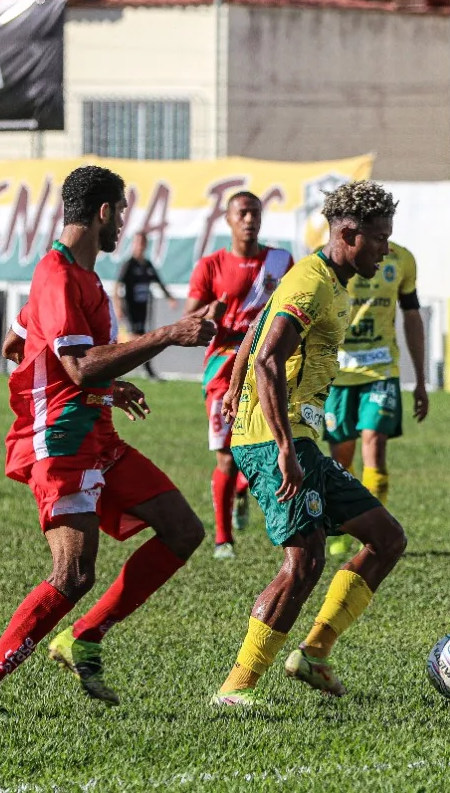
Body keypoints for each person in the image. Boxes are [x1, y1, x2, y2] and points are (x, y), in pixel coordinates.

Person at [0, 165, 217, 718]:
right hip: (64, 442)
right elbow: (78, 365)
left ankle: (83, 637)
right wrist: (168, 334)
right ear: (103, 213)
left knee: (183, 531)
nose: (123, 223)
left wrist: (106, 387)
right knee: (73, 573)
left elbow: (13, 345)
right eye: (121, 211)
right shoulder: (59, 277)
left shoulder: (77, 276)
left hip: (97, 434)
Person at [210, 180, 407, 708]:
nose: (386, 249)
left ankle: (314, 654)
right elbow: (272, 359)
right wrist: (281, 447)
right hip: (275, 441)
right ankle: (236, 689)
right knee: (303, 562)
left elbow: (258, 327)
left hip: (299, 438)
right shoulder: (314, 283)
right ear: (348, 233)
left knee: (386, 538)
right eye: (381, 238)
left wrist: (233, 384)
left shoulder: (330, 281)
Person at [184, 192, 293, 559]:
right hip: (222, 367)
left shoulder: (280, 261)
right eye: (242, 213)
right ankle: (223, 539)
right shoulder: (210, 266)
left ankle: (246, 491)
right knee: (226, 458)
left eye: (255, 213)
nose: (250, 219)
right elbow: (189, 320)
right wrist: (208, 312)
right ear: (228, 220)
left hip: (264, 365)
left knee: (271, 443)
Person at [323, 241, 429, 557]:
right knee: (341, 459)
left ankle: (374, 534)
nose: (383, 231)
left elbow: (412, 315)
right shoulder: (329, 259)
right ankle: (345, 525)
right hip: (338, 374)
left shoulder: (402, 259)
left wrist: (421, 379)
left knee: (374, 442)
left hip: (382, 369)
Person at [115, 232, 176, 380]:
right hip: (130, 308)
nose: (139, 246)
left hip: (144, 308)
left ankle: (145, 370)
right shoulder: (129, 264)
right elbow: (117, 285)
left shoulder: (147, 265)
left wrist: (169, 298)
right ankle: (117, 367)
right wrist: (117, 306)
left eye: (142, 243)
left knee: (143, 339)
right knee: (135, 339)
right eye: (137, 243)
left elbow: (158, 282)